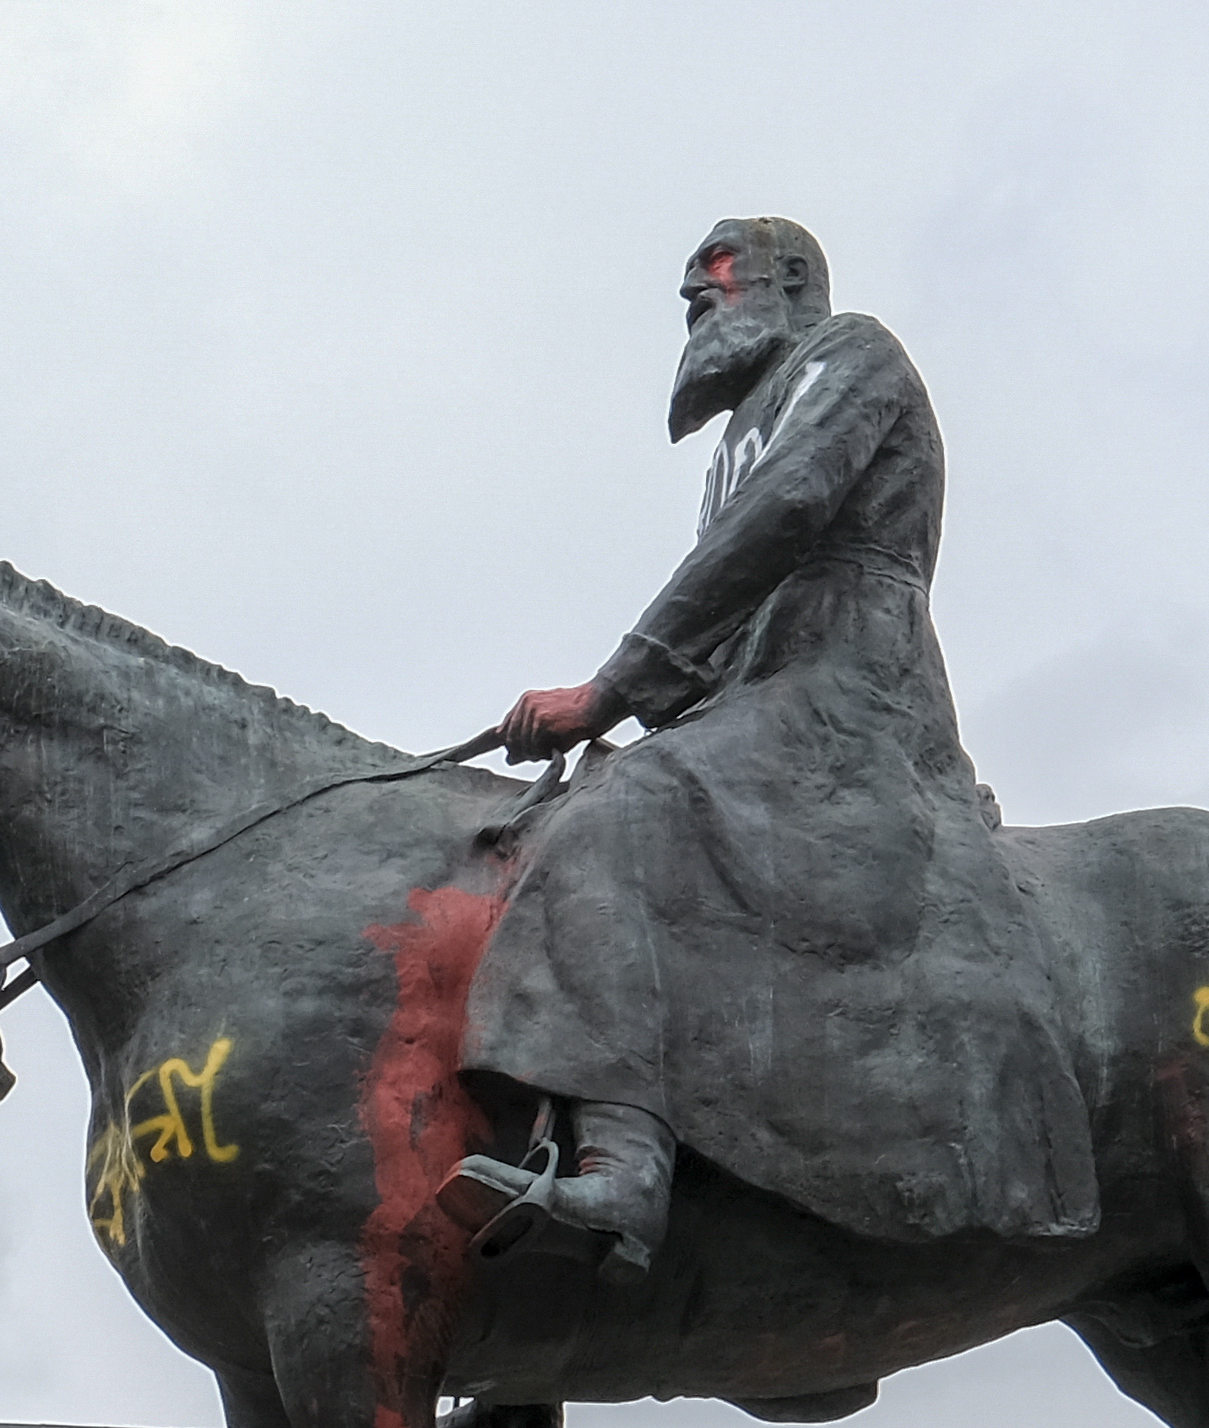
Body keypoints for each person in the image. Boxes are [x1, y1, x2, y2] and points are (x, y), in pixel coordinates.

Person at [444, 217, 1095, 1274]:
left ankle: (623, 1173)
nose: (693, 289)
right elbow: (734, 602)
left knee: (625, 813)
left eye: (714, 265)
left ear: (788, 277)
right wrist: (639, 704)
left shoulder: (851, 355)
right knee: (574, 812)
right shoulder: (741, 431)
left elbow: (786, 517)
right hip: (763, 689)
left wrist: (609, 691)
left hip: (849, 688)